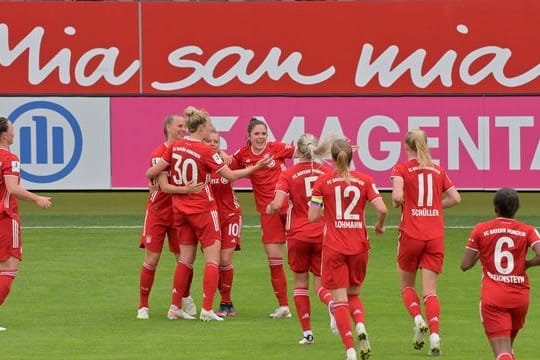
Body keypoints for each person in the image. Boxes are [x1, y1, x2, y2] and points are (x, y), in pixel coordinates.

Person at [146, 107, 271, 322]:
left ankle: (175, 307)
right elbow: (230, 175)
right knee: (212, 259)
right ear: (202, 127)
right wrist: (256, 167)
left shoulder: (175, 146)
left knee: (185, 259)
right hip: (202, 209)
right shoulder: (206, 152)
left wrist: (154, 179)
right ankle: (206, 309)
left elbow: (152, 172)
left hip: (179, 210)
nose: (211, 131)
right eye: (209, 127)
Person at [308, 139, 387, 360]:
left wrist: (326, 211)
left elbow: (313, 217)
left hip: (334, 246)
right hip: (359, 246)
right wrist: (379, 225)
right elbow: (382, 208)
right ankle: (360, 324)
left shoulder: (323, 181)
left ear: (332, 158)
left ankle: (350, 349)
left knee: (340, 300)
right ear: (351, 157)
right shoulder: (365, 180)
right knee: (354, 295)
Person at [390, 129, 461, 356]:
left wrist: (400, 204)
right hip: (434, 235)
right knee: (430, 292)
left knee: (407, 286)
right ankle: (435, 335)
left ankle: (418, 319)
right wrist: (434, 206)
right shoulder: (437, 169)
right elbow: (456, 198)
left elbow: (397, 197)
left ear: (406, 147)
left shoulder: (401, 169)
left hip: (411, 233)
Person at [266, 133, 334, 344]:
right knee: (321, 284)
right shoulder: (326, 172)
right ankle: (332, 303)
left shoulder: (288, 175)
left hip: (297, 234)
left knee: (300, 284)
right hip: (322, 234)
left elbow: (277, 204)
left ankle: (307, 333)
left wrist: (269, 208)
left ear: (297, 150)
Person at [460, 188, 540, 360]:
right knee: (508, 348)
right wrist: (527, 264)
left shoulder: (481, 229)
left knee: (502, 351)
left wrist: (484, 250)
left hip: (494, 297)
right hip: (520, 298)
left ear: (495, 208)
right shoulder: (528, 230)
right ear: (517, 209)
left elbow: (465, 265)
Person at [233, 118, 295, 318]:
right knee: (274, 259)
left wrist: (337, 150)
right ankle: (284, 306)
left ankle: (331, 297)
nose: (260, 137)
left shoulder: (276, 148)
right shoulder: (242, 154)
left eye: (263, 134)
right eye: (256, 134)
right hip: (268, 212)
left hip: (289, 207)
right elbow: (227, 168)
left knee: (303, 256)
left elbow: (304, 151)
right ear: (248, 137)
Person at [137, 115, 197, 320]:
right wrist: (187, 189)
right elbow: (161, 184)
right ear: (168, 128)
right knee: (152, 259)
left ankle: (184, 297)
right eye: (180, 126)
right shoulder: (159, 153)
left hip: (180, 213)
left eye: (185, 126)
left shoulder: (187, 151)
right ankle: (143, 306)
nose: (183, 129)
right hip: (158, 213)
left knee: (184, 259)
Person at [0, 117, 52, 331]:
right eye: (12, 130)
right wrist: (38, 198)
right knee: (10, 267)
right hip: (5, 218)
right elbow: (12, 188)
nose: (14, 134)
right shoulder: (9, 158)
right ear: (4, 134)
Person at [203, 129, 242, 317]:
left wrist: (224, 155)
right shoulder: (200, 163)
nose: (212, 144)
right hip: (209, 216)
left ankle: (226, 302)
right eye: (209, 141)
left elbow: (244, 160)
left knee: (225, 259)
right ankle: (219, 302)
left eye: (216, 141)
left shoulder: (227, 161)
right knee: (215, 261)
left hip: (230, 214)